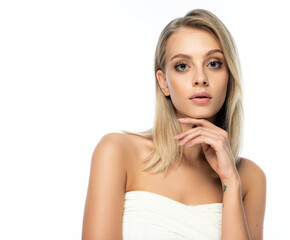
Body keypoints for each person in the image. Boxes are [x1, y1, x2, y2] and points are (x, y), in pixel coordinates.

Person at [82, 9, 266, 240]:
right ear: (163, 83)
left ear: (229, 76)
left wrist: (230, 182)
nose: (200, 78)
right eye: (182, 66)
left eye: (213, 63)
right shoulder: (117, 152)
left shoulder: (249, 178)